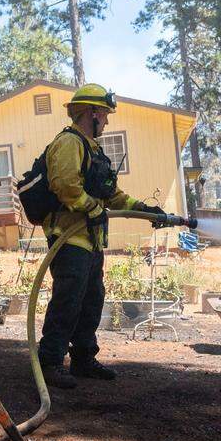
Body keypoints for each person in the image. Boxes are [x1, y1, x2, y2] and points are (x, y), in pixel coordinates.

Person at [37, 84, 165, 389]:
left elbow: (113, 196)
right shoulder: (69, 143)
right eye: (105, 115)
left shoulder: (93, 150)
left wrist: (146, 210)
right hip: (68, 240)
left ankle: (82, 359)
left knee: (92, 300)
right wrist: (91, 208)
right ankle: (50, 362)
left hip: (89, 240)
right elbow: (65, 185)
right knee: (68, 301)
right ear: (92, 113)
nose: (107, 121)